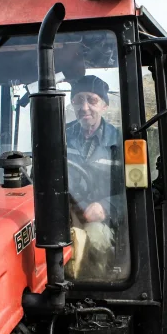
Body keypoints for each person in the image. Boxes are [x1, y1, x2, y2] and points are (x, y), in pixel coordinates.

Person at [65, 74, 124, 279]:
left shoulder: (119, 141)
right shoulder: (59, 136)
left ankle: (94, 290)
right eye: (78, 100)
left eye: (92, 100)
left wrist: (106, 206)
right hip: (63, 216)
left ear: (104, 105)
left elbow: (135, 192)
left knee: (95, 237)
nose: (85, 107)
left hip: (102, 221)